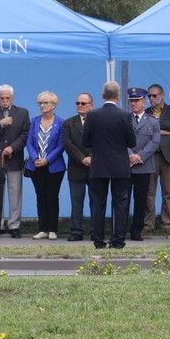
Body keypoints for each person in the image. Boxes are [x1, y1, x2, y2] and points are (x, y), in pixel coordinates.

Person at [83, 81, 136, 249]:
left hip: (99, 164)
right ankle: (118, 240)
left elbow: (86, 141)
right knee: (120, 203)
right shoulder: (125, 115)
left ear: (102, 95)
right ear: (118, 96)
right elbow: (131, 141)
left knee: (98, 203)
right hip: (119, 164)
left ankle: (98, 240)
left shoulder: (92, 115)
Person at [0, 84, 29, 239]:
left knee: (15, 193)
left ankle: (14, 225)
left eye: (7, 98)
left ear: (12, 97)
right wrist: (1, 124)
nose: (5, 100)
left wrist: (13, 148)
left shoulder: (22, 112)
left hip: (14, 158)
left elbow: (25, 134)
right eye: (2, 98)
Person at [26, 91, 66, 240]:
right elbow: (29, 141)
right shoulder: (35, 120)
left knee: (52, 196)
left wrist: (47, 159)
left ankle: (52, 229)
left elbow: (61, 144)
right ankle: (43, 228)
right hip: (36, 165)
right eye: (40, 103)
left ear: (54, 105)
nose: (42, 105)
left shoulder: (61, 122)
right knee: (40, 196)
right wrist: (35, 157)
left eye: (45, 103)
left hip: (54, 166)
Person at [145, 83, 170, 234]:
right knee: (149, 192)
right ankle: (148, 224)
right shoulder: (145, 112)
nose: (152, 98)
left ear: (162, 95)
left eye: (154, 95)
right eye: (149, 96)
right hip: (151, 156)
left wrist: (154, 127)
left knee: (168, 192)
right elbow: (145, 131)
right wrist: (160, 131)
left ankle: (167, 224)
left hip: (168, 157)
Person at [126, 87, 160, 241]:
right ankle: (120, 228)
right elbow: (120, 139)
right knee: (123, 199)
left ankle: (136, 230)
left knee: (141, 200)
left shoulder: (152, 121)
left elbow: (155, 142)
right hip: (126, 165)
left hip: (144, 165)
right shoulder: (124, 119)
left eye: (136, 101)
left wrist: (139, 156)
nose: (133, 104)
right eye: (131, 101)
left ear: (144, 102)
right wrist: (130, 155)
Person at [63, 92, 93, 242]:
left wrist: (91, 158)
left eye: (83, 103)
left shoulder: (98, 122)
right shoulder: (69, 123)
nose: (80, 106)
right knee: (76, 201)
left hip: (95, 167)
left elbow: (103, 142)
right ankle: (76, 231)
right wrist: (82, 159)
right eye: (77, 103)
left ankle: (96, 231)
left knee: (96, 200)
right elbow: (68, 144)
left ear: (91, 105)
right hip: (76, 167)